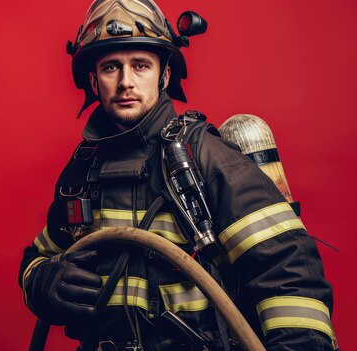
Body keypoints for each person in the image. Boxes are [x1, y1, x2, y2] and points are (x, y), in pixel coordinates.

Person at [18, 0, 338, 350]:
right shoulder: (83, 169)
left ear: (165, 75)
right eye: (112, 67)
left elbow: (286, 272)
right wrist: (41, 281)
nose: (126, 82)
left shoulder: (201, 157)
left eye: (141, 65)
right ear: (94, 81)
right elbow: (40, 255)